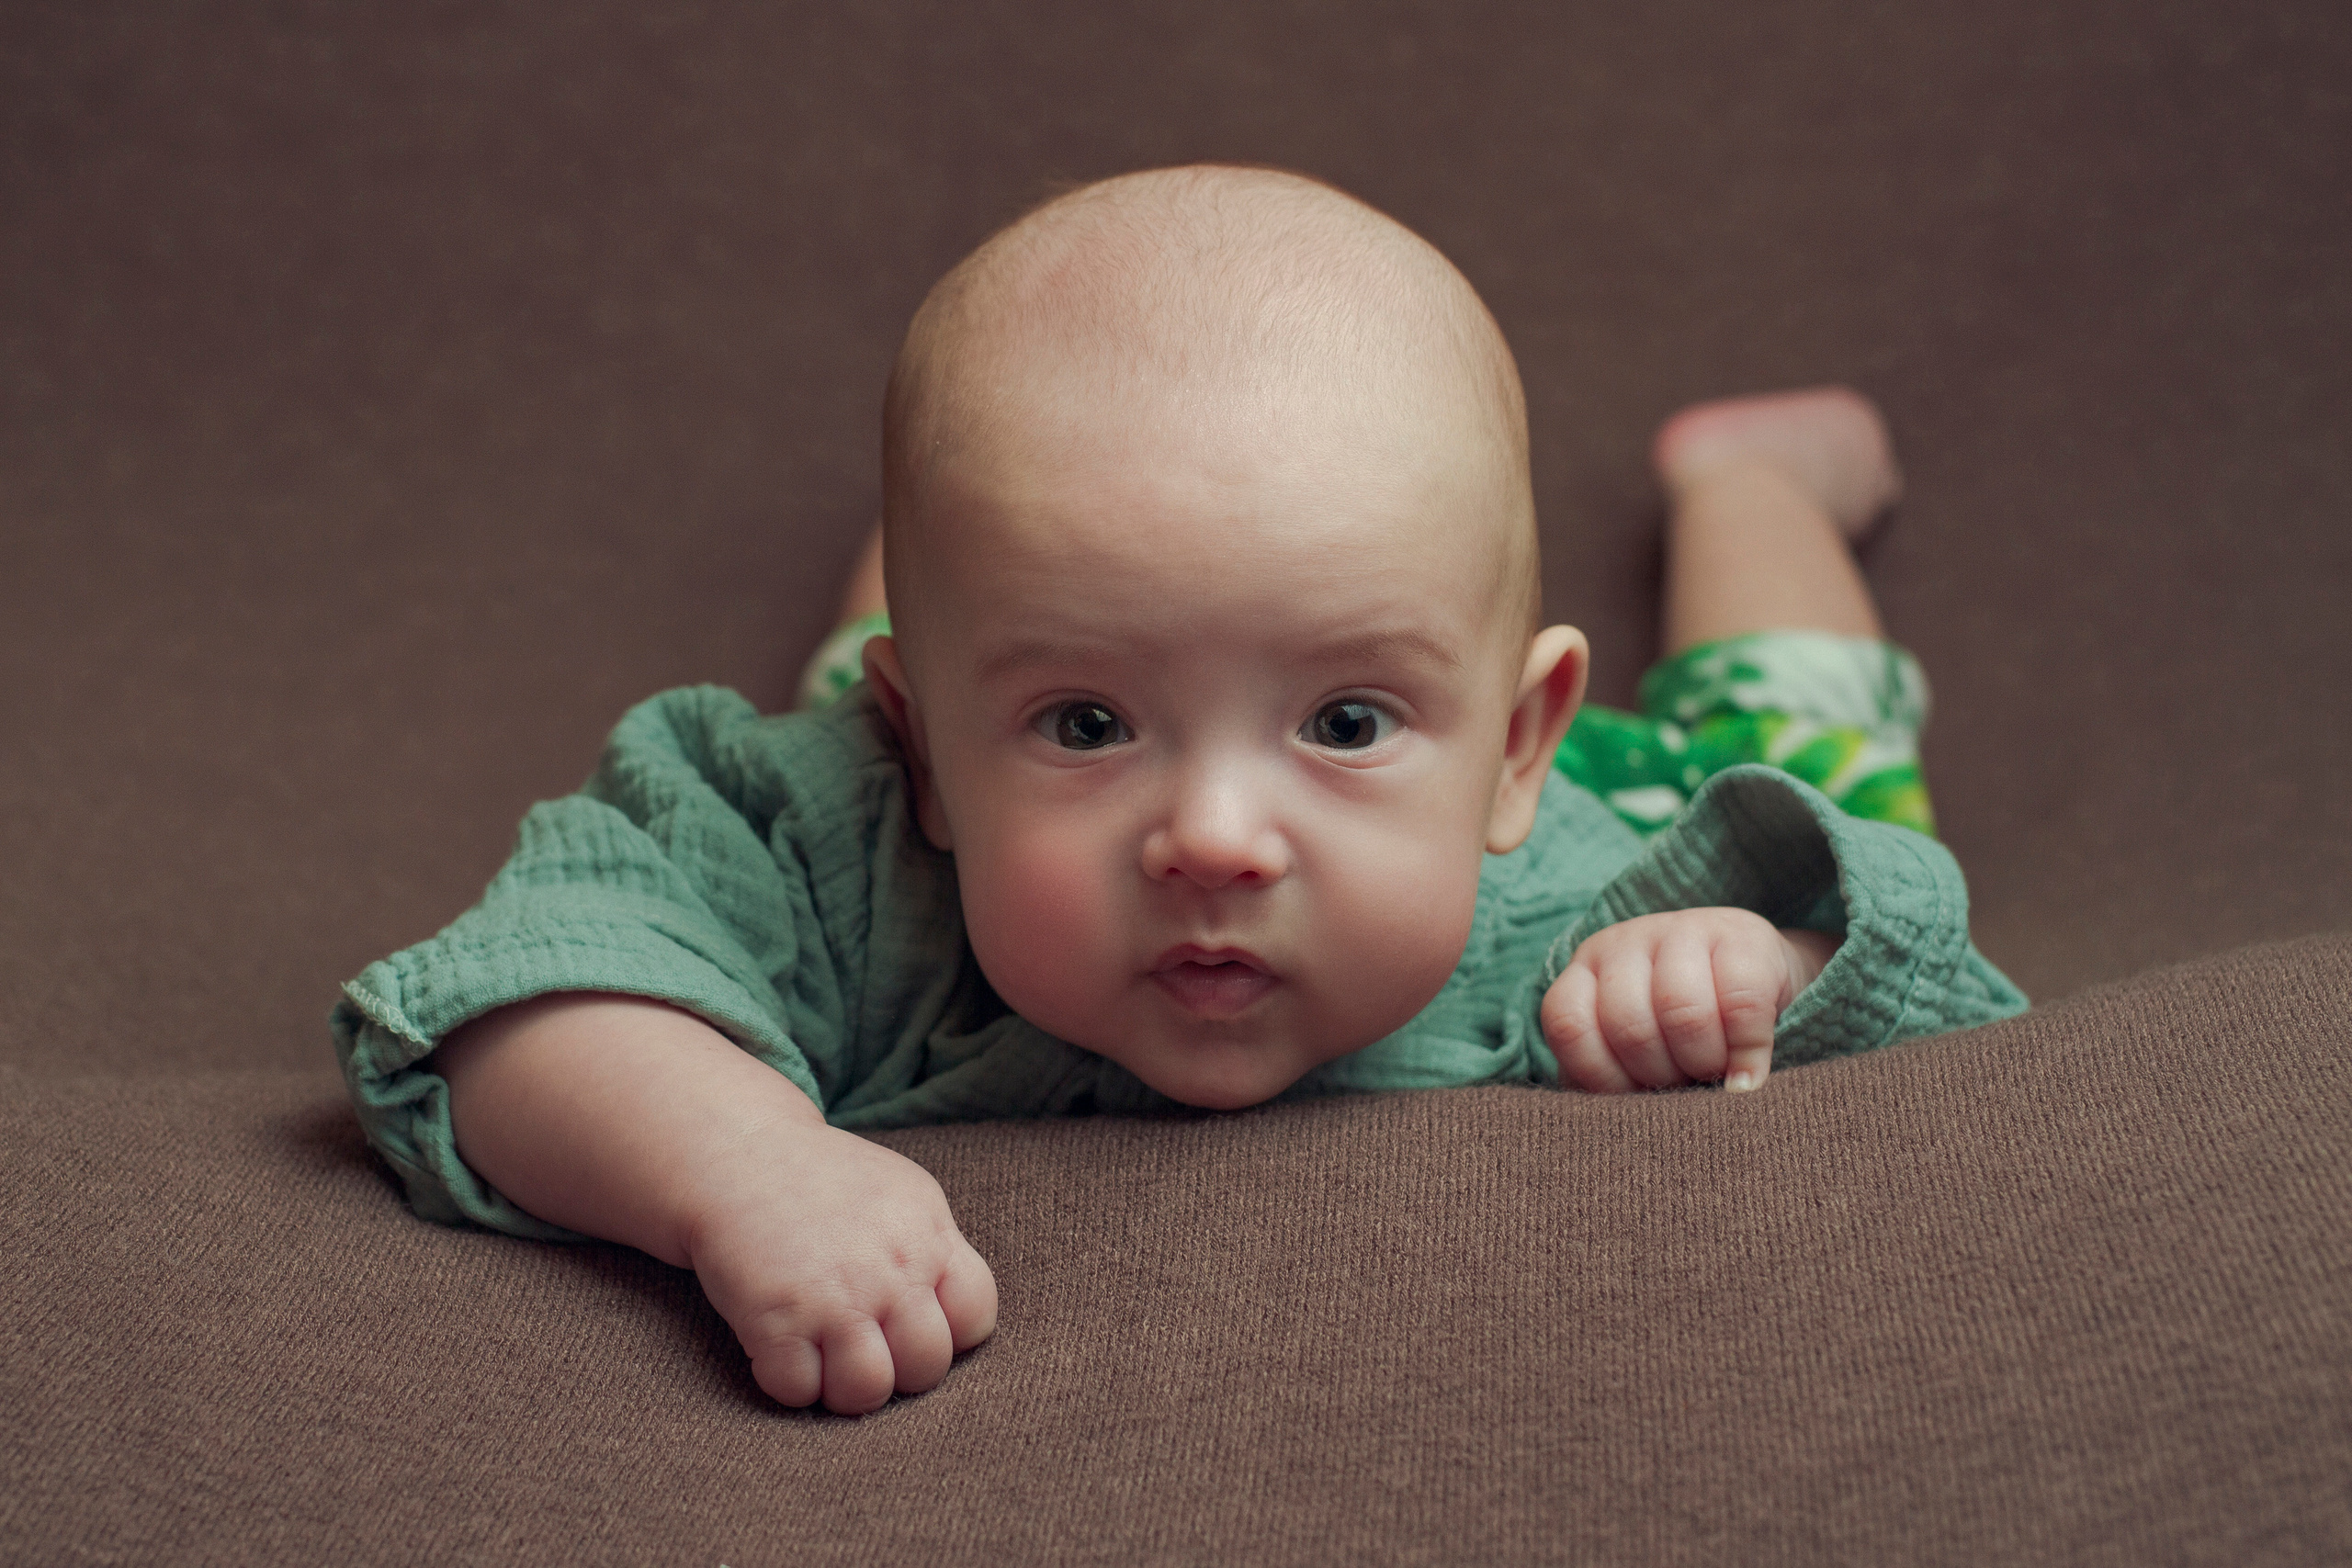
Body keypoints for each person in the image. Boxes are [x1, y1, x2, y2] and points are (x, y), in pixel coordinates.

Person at [332, 164, 2024, 1417]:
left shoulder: (1611, 890)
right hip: (914, 715)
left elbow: (1965, 1015)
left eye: (1349, 723)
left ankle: (1751, 485)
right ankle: (951, 583)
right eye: (1092, 728)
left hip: (1675, 786)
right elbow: (525, 989)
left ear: (1514, 746)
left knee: (1796, 718)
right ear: (918, 752)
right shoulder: (830, 824)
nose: (1216, 838)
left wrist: (1760, 968)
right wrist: (739, 1164)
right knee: (958, 604)